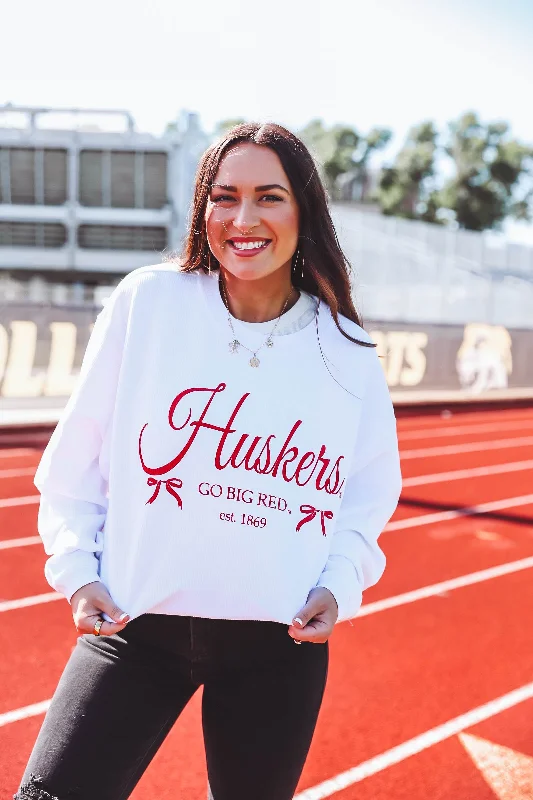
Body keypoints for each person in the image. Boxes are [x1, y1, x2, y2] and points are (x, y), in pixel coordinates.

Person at [15, 123, 402, 800]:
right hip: (135, 627)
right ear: (202, 208)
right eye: (224, 197)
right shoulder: (148, 303)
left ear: (303, 210)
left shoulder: (345, 349)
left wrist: (340, 583)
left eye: (268, 197)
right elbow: (75, 460)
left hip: (276, 648)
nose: (242, 219)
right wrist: (78, 572)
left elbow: (367, 494)